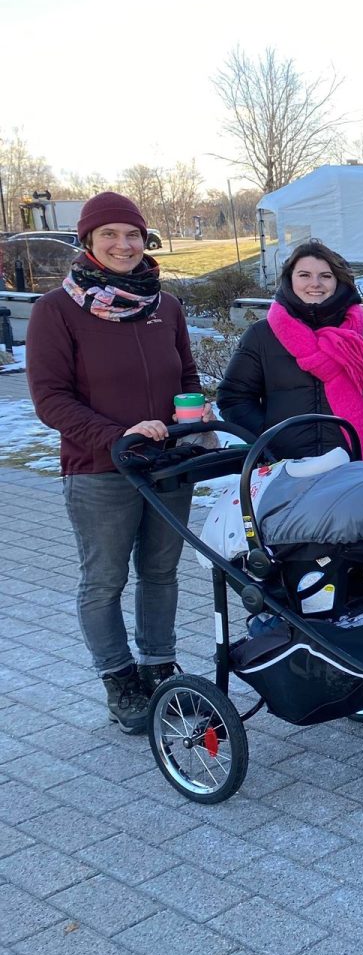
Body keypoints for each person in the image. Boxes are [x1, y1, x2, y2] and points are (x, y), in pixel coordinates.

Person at [26, 192, 205, 733]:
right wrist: (116, 436)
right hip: (100, 470)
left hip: (167, 465)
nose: (123, 245)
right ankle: (120, 680)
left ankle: (159, 669)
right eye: (110, 235)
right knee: (103, 580)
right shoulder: (56, 311)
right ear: (88, 242)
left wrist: (193, 415)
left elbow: (188, 376)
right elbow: (50, 398)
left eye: (132, 235)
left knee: (160, 573)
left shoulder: (164, 306)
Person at [218, 241, 363, 464]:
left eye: (325, 276)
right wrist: (271, 437)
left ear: (338, 280)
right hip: (286, 468)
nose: (315, 284)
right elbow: (234, 397)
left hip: (355, 465)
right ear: (290, 279)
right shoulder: (262, 336)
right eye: (304, 275)